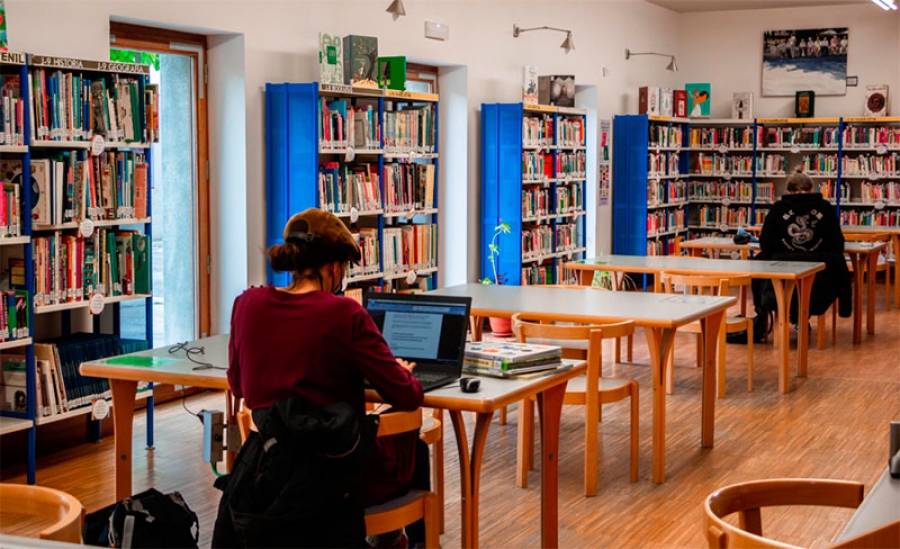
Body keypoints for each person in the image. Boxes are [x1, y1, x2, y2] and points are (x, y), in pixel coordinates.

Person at [214, 207, 428, 548]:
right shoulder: (345, 314)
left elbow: (239, 386)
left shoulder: (246, 304)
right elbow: (407, 396)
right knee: (416, 449)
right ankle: (397, 542)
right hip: (331, 475)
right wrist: (402, 373)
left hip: (261, 473)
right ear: (334, 267)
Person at [749, 168, 852, 341]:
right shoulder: (825, 208)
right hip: (820, 286)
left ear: (787, 190)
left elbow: (765, 244)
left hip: (779, 284)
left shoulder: (777, 209)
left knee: (760, 262)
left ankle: (767, 318)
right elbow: (837, 245)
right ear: (812, 190)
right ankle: (803, 318)